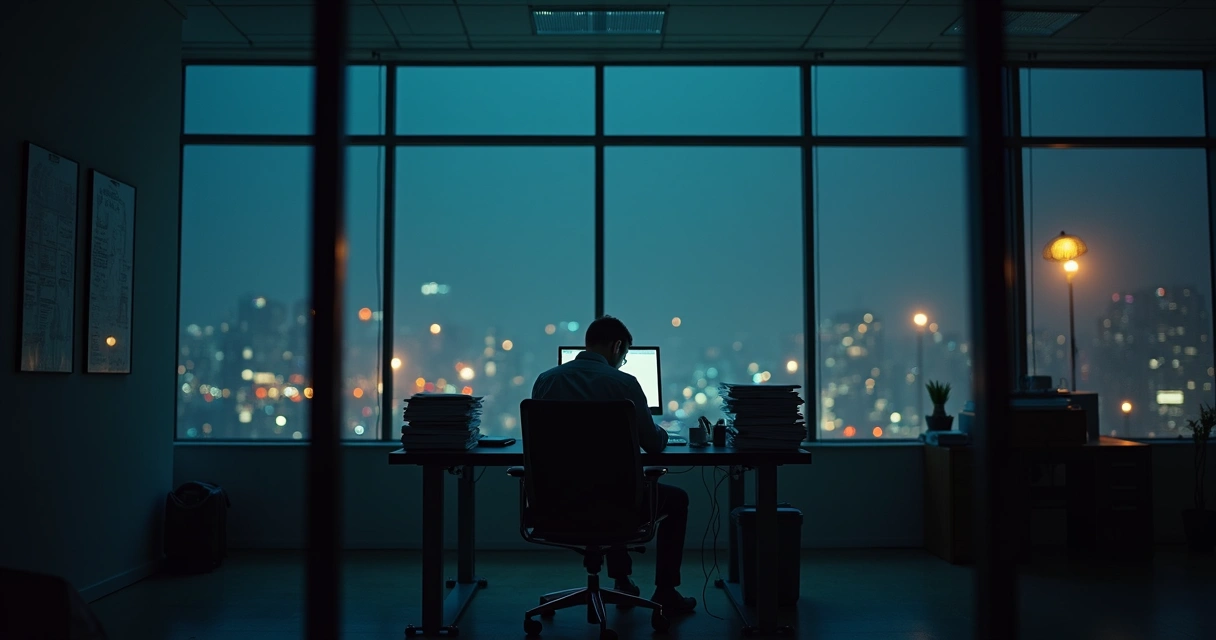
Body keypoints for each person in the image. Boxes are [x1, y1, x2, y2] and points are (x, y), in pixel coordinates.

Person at [531, 315, 697, 614]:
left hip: (556, 504)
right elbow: (654, 444)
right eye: (624, 356)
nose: (622, 363)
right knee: (661, 496)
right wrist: (662, 432)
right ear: (617, 346)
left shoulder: (546, 381)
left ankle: (622, 581)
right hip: (615, 503)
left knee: (611, 484)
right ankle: (666, 591)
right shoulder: (624, 384)